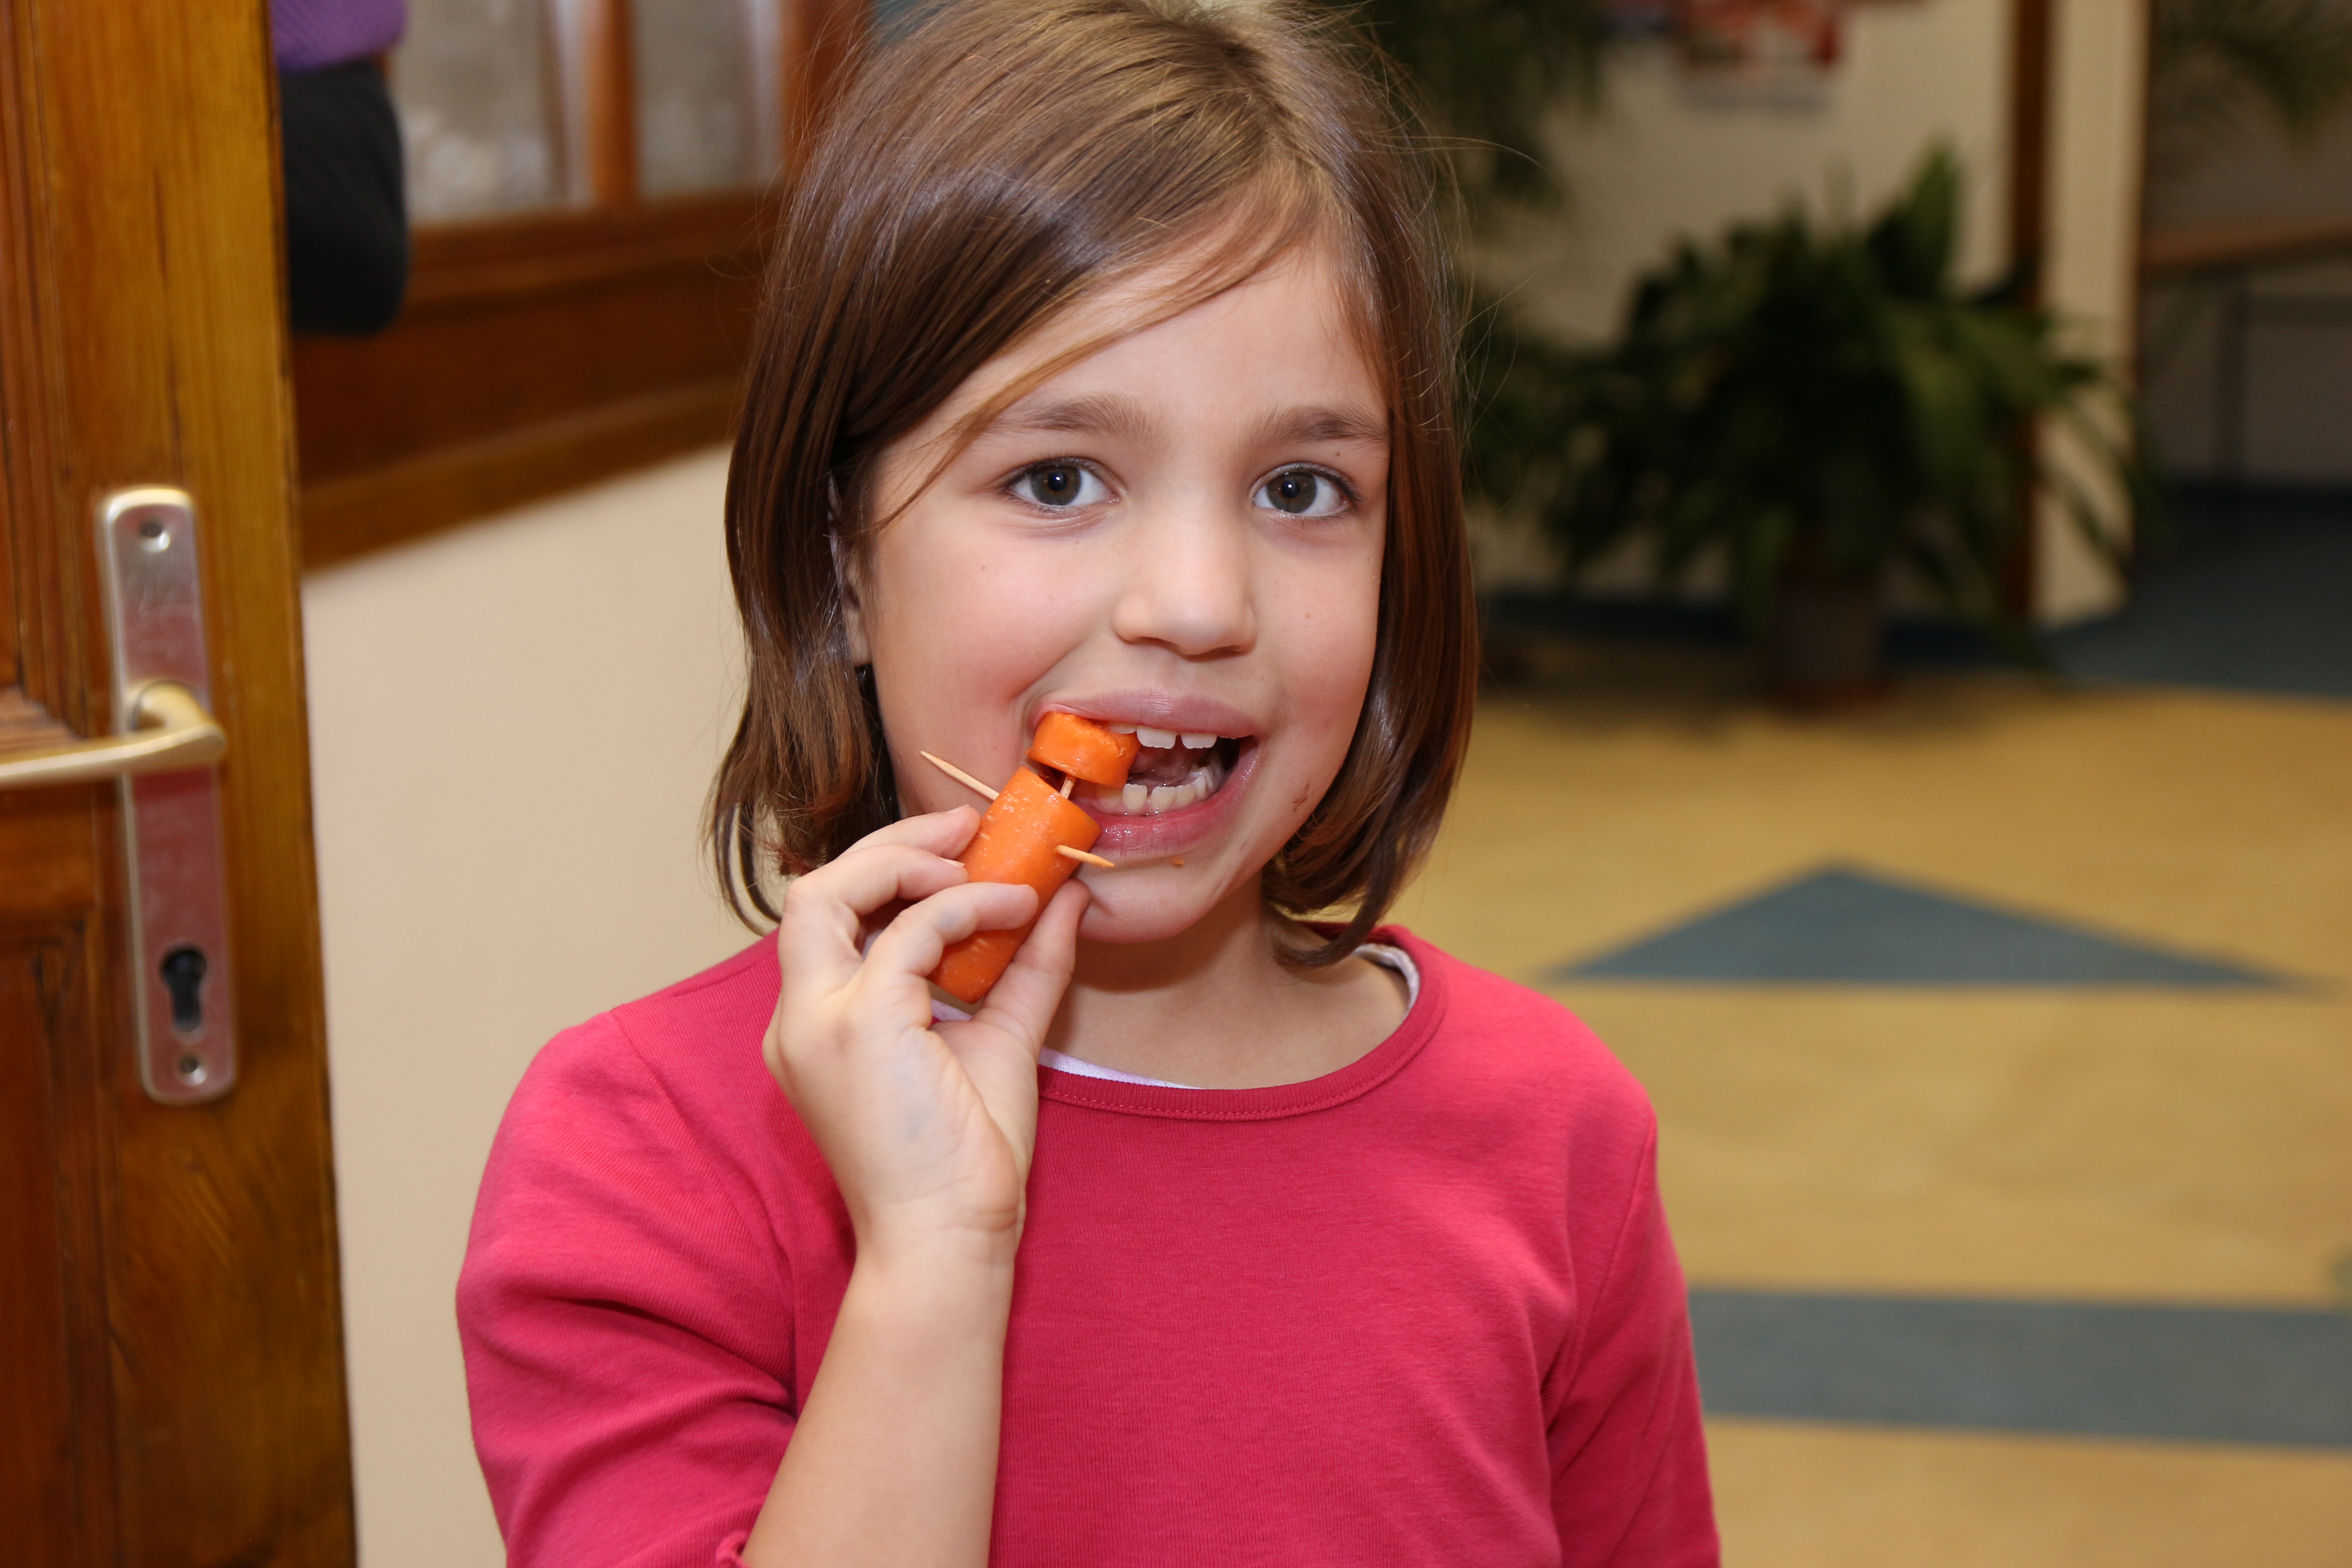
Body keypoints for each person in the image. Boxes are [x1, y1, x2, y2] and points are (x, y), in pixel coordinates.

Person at [457, 2, 1718, 1564]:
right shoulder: (644, 1158)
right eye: (1057, 479)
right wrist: (930, 1261)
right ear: (842, 566)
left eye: (1302, 487)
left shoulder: (1558, 1136)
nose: (1197, 601)